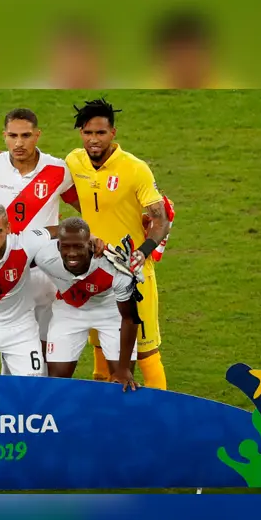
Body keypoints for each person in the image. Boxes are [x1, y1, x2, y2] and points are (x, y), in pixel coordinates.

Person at [64, 98, 170, 390]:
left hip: (132, 273)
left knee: (146, 352)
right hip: (94, 272)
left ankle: (161, 422)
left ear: (113, 133)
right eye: (87, 133)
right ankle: (108, 421)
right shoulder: (74, 161)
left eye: (100, 133)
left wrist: (141, 254)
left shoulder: (135, 169)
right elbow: (60, 188)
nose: (93, 140)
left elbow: (161, 220)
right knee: (102, 351)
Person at [0, 203, 97, 376]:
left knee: (30, 388)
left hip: (20, 330)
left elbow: (57, 229)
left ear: (8, 228)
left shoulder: (25, 243)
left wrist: (90, 236)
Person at [0, 108, 75, 368]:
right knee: (11, 344)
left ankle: (39, 400)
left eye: (26, 135)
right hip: (4, 270)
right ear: (4, 136)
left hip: (45, 271)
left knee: (45, 343)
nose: (19, 143)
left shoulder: (58, 170)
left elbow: (88, 205)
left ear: (38, 135)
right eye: (12, 136)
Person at [33, 217, 141, 390]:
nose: (72, 253)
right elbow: (18, 251)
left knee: (121, 382)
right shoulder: (44, 256)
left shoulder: (115, 268)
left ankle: (116, 416)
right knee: (56, 381)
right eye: (66, 246)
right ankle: (60, 417)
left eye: (78, 246)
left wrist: (124, 368)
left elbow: (130, 318)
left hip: (111, 312)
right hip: (69, 311)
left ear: (90, 245)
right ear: (58, 246)